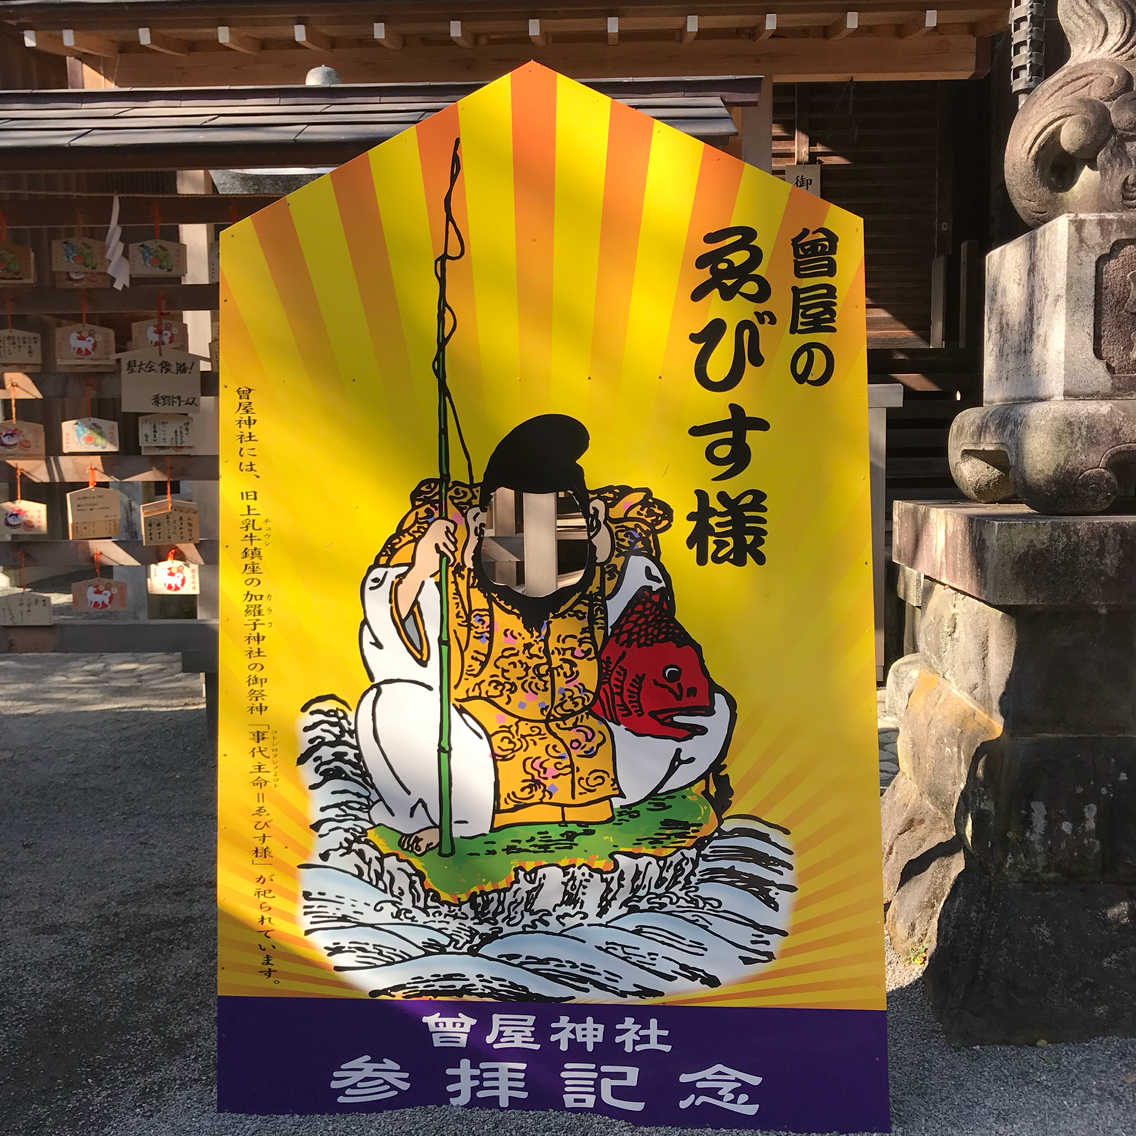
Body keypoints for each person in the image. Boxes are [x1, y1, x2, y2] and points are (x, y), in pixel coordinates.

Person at [355, 415, 735, 854]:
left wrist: (610, 552)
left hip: (588, 751)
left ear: (589, 522)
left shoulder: (595, 581)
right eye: (516, 529)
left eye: (557, 527)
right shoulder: (455, 579)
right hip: (480, 757)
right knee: (386, 705)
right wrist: (418, 570)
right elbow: (390, 636)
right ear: (481, 525)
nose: (536, 549)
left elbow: (641, 611)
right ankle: (454, 820)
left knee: (712, 714)